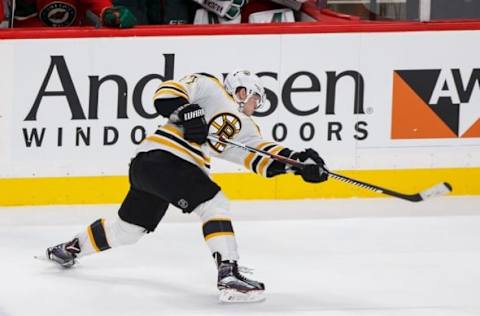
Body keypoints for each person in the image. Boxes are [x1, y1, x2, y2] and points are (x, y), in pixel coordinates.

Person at [45, 70, 328, 303]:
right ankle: (228, 273)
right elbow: (166, 92)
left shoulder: (246, 128)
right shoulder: (210, 86)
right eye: (256, 98)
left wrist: (299, 164)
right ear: (243, 90)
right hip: (162, 157)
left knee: (128, 230)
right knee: (214, 202)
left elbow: (262, 156)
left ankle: (71, 247)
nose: (256, 106)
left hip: (152, 169)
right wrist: (189, 112)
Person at [11, 0, 136, 28]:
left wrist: (114, 15)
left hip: (77, 48)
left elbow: (102, 8)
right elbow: (25, 27)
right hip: (37, 52)